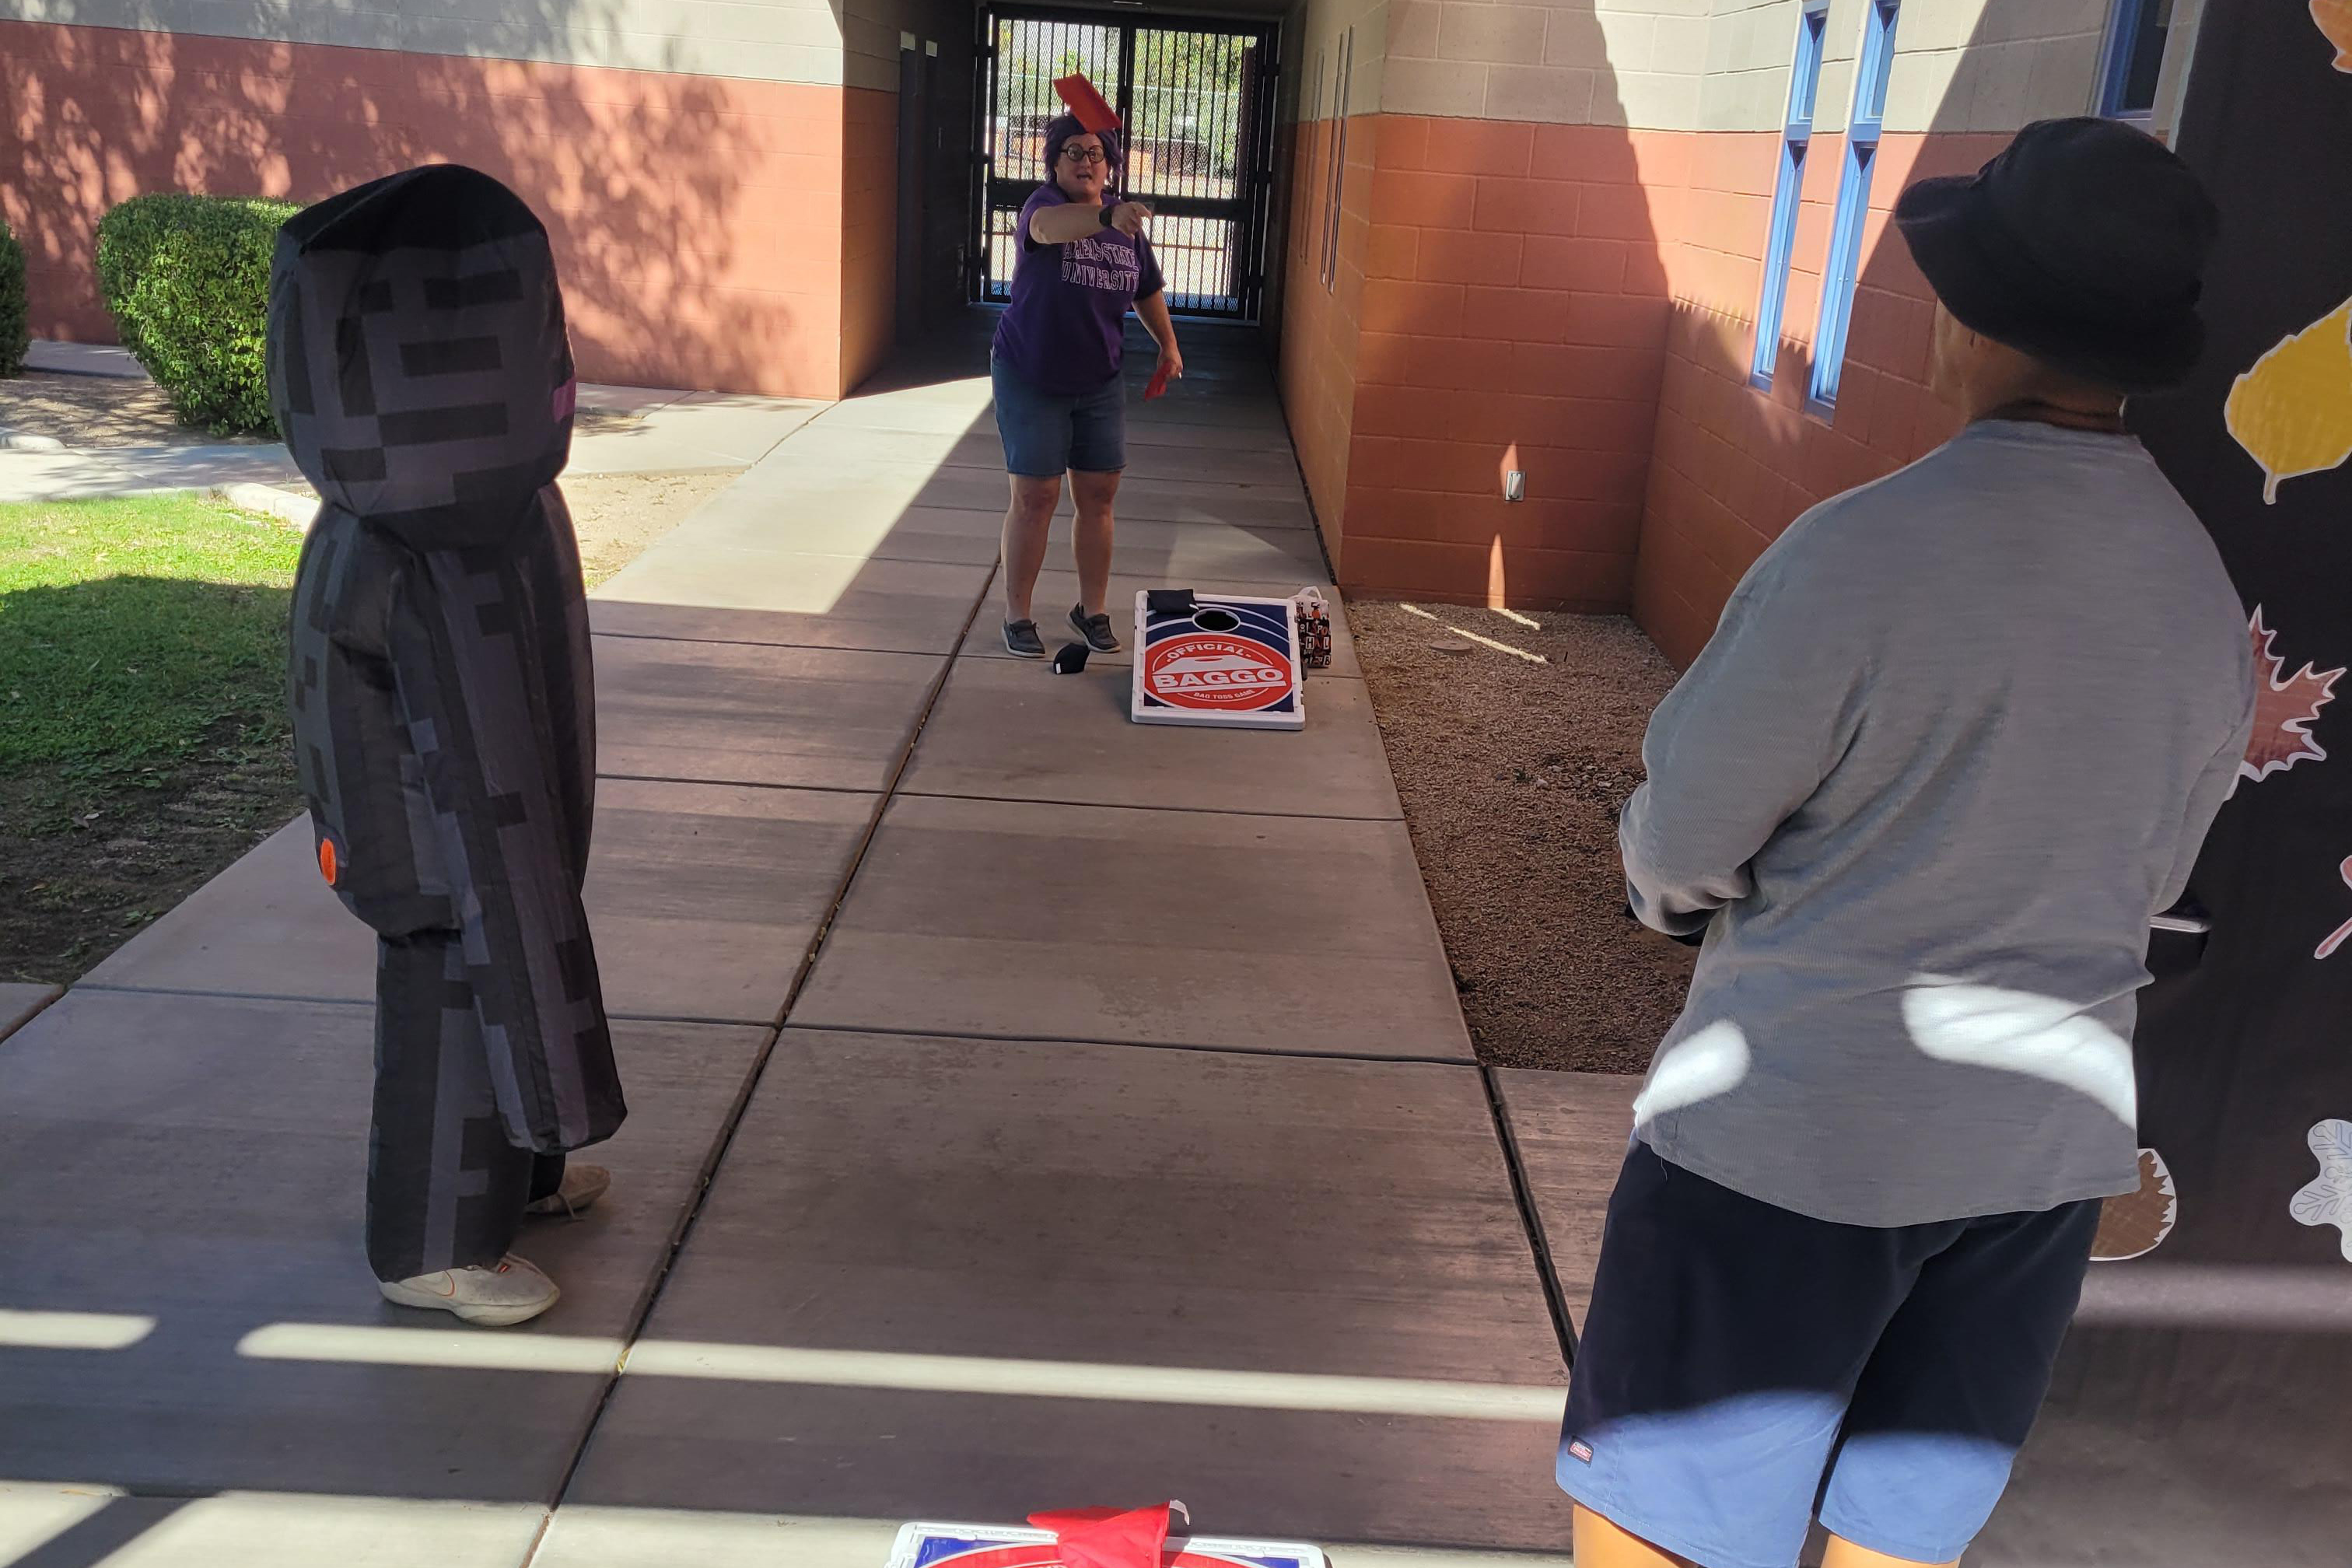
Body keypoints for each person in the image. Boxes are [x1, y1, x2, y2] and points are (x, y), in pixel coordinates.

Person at [1563, 119, 2254, 1568]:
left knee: (1665, 1534)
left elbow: (1680, 839)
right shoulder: (2195, 589)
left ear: (1966, 320)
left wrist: (1670, 893)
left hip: (1789, 1140)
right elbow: (2161, 872)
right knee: (1896, 1540)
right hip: (2034, 1154)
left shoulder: (1857, 551)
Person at [271, 164, 626, 1328]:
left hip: (477, 826)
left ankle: (520, 1169)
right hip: (430, 838)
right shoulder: (427, 545)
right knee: (457, 984)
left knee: (505, 959)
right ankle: (428, 1245)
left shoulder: (470, 517)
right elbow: (468, 777)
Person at [989, 114, 1184, 659]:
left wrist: (1168, 346)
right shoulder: (1043, 208)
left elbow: (1145, 289)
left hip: (1099, 376)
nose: (1084, 161)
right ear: (1054, 162)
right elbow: (1049, 231)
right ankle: (1018, 615)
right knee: (1036, 496)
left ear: (1110, 164)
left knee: (1098, 496)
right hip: (1032, 371)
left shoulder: (1123, 227)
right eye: (1072, 151)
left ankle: (1091, 610)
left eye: (1095, 153)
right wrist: (1104, 214)